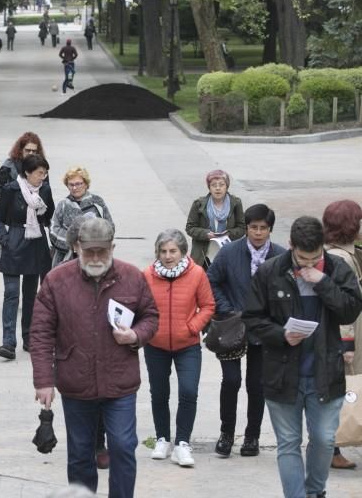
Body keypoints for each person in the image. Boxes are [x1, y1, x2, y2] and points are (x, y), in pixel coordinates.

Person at [31, 218, 159, 498]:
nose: (96, 258)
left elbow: (150, 316)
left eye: (102, 251)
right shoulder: (56, 281)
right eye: (90, 251)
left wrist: (136, 335)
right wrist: (43, 380)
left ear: (113, 247)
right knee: (80, 454)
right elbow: (40, 333)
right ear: (77, 247)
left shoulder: (133, 277)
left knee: (123, 447)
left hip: (120, 383)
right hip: (76, 383)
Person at [243, 216, 362, 498]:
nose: (309, 264)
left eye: (315, 257)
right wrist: (280, 334)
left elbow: (350, 310)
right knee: (288, 443)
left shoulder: (336, 268)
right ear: (290, 246)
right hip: (282, 374)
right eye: (302, 258)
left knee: (323, 439)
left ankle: (315, 490)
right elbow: (251, 317)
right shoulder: (270, 271)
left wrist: (323, 283)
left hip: (325, 372)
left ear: (323, 247)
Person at [207, 203, 284, 458]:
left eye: (263, 228)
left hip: (262, 331)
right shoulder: (229, 253)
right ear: (247, 228)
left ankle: (252, 436)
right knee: (231, 381)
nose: (258, 233)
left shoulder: (280, 256)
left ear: (270, 229)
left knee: (257, 384)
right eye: (254, 227)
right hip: (231, 327)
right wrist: (227, 309)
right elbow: (212, 281)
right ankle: (226, 433)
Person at [142, 229, 216, 467]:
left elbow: (207, 306)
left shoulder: (197, 274)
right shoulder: (147, 275)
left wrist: (191, 327)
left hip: (188, 345)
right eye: (163, 251)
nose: (168, 256)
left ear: (182, 252)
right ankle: (162, 438)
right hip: (156, 345)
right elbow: (140, 307)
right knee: (159, 393)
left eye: (173, 251)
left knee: (188, 391)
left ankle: (182, 442)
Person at [0, 153, 55, 359]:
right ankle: (8, 342)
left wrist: (41, 209)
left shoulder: (44, 189)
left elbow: (48, 216)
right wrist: (6, 238)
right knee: (11, 294)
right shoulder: (11, 189)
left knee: (30, 296)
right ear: (27, 173)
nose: (42, 177)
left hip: (35, 245)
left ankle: (29, 338)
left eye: (45, 173)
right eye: (39, 173)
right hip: (14, 242)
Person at [322, 200, 362, 470]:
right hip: (347, 337)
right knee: (345, 392)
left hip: (346, 334)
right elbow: (342, 303)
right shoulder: (341, 258)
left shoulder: (344, 252)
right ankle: (333, 449)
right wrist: (347, 343)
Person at [50, 166, 113, 267]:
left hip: (94, 257)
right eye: (71, 184)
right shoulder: (63, 205)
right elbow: (53, 231)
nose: (74, 188)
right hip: (66, 259)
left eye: (78, 184)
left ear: (86, 184)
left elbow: (109, 228)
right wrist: (73, 244)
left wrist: (90, 244)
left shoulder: (97, 202)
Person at [186, 169, 246, 268]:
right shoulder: (199, 204)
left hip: (227, 251)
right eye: (214, 185)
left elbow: (242, 228)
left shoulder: (235, 203)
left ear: (227, 186)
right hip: (204, 253)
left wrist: (229, 234)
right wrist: (206, 234)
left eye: (221, 185)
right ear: (209, 187)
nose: (218, 188)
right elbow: (190, 228)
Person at [0, 131, 47, 199]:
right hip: (12, 206)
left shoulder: (42, 167)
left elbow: (46, 189)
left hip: (36, 206)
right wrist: (16, 198)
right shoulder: (8, 166)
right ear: (21, 150)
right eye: (28, 150)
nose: (31, 153)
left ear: (37, 151)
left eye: (34, 151)